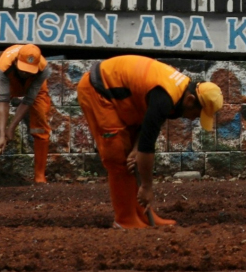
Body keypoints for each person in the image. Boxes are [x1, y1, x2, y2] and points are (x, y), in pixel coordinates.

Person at [76, 54, 223, 229]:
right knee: (116, 155)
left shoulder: (177, 92)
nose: (193, 120)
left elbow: (146, 129)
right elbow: (147, 146)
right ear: (190, 100)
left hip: (125, 97)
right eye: (196, 114)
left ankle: (143, 216)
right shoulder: (165, 97)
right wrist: (146, 187)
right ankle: (125, 219)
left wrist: (135, 149)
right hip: (99, 90)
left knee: (130, 155)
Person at [0, 43, 53, 183]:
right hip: (4, 80)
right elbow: (3, 101)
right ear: (16, 61)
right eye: (23, 69)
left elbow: (28, 101)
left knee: (40, 122)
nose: (25, 73)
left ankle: (39, 176)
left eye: (29, 70)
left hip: (31, 86)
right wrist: (2, 134)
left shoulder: (43, 70)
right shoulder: (5, 66)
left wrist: (11, 128)